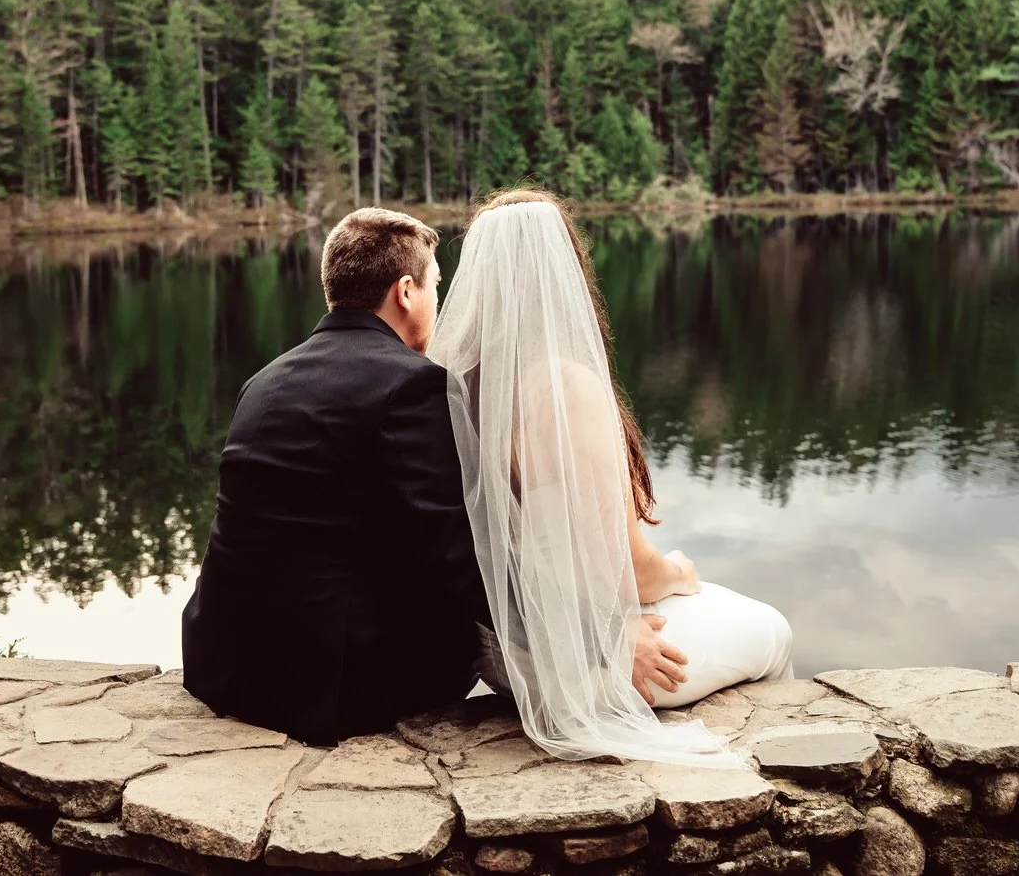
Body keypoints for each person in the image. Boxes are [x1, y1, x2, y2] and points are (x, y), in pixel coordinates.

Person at [429, 188, 794, 768]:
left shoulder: (453, 387)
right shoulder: (569, 389)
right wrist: (678, 570)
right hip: (588, 663)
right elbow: (631, 570)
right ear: (567, 272)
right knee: (772, 630)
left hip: (500, 661)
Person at [181, 208, 487, 746]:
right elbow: (456, 553)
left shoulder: (264, 380)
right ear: (407, 290)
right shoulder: (416, 386)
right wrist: (567, 651)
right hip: (332, 687)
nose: (438, 304)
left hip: (221, 662)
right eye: (436, 285)